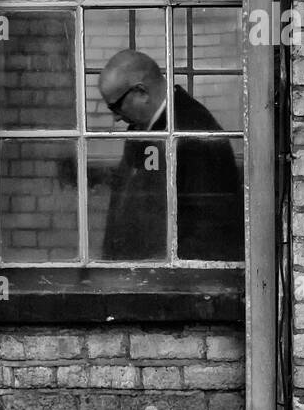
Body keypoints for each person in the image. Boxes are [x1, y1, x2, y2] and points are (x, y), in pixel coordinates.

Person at [96, 49, 243, 262]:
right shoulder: (140, 127)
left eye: (116, 106)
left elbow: (209, 226)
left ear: (141, 92)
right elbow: (126, 199)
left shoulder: (195, 132)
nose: (116, 117)